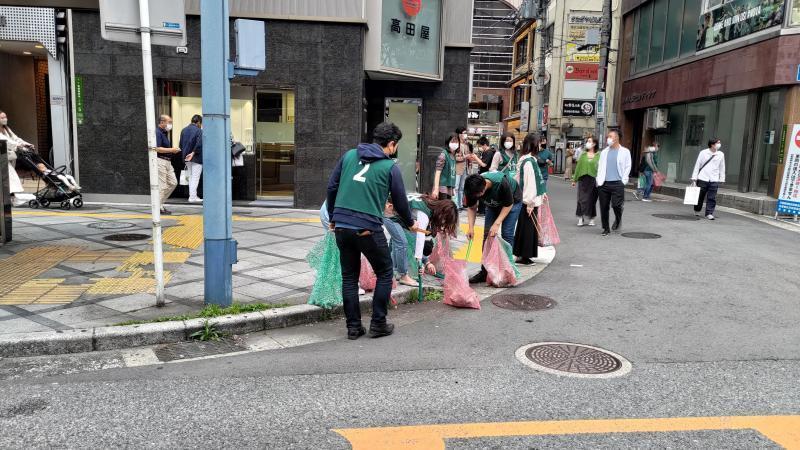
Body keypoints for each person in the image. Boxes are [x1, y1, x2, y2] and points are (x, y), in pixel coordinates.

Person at [327, 122, 416, 340]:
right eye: (395, 146)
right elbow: (400, 202)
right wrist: (410, 222)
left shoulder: (349, 156)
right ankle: (378, 323)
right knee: (385, 272)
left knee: (349, 276)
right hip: (367, 228)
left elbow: (332, 187)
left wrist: (333, 217)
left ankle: (353, 327)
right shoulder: (389, 167)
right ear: (392, 144)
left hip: (342, 225)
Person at [463, 170, 523, 284]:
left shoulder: (501, 183)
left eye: (478, 195)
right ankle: (485, 272)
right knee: (487, 236)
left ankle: (507, 272)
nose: (476, 197)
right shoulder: (471, 188)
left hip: (512, 202)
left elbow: (508, 204)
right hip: (493, 205)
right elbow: (471, 207)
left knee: (507, 234)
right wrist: (471, 227)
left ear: (484, 187)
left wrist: (496, 224)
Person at [513, 133, 547, 265]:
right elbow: (529, 182)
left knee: (526, 227)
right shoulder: (528, 161)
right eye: (538, 143)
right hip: (528, 201)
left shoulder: (528, 159)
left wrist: (541, 193)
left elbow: (534, 181)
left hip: (528, 200)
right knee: (527, 228)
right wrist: (530, 202)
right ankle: (525, 255)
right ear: (533, 144)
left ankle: (523, 254)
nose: (540, 145)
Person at [596, 129, 632, 236]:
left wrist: (623, 180)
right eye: (608, 137)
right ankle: (606, 228)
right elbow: (600, 167)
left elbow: (627, 166)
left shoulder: (625, 151)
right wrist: (598, 180)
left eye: (610, 136)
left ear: (617, 138)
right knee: (604, 207)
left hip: (617, 183)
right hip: (604, 184)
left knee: (616, 205)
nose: (608, 139)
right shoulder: (604, 152)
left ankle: (618, 218)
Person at [0, 111, 37, 205]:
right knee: (11, 176)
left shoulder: (7, 129)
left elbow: (15, 138)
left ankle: (10, 197)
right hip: (2, 158)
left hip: (7, 157)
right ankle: (13, 196)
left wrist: (26, 144)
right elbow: (7, 141)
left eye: (5, 117)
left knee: (7, 177)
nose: (5, 119)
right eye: (2, 118)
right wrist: (19, 146)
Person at [691, 138, 726, 220]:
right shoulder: (703, 153)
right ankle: (697, 209)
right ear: (712, 144)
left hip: (714, 179)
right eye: (718, 143)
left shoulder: (721, 154)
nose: (719, 144)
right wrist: (694, 177)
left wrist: (722, 178)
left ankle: (709, 213)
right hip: (703, 178)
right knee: (700, 196)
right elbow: (697, 165)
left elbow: (722, 167)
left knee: (712, 197)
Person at [571, 135, 600, 227]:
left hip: (594, 180)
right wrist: (574, 179)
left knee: (592, 199)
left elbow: (601, 169)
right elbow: (578, 167)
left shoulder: (599, 155)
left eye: (590, 141)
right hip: (583, 179)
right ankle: (580, 218)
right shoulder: (583, 154)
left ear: (594, 144)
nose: (588, 143)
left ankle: (591, 218)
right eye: (587, 141)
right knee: (581, 199)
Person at [155, 115, 181, 215]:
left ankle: (159, 204)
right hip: (160, 161)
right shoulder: (157, 132)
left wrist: (172, 151)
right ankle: (158, 207)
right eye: (169, 122)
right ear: (162, 122)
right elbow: (157, 148)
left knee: (173, 182)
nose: (170, 125)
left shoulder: (164, 133)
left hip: (167, 162)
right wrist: (172, 150)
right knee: (162, 186)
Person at [179, 114, 203, 203]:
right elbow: (199, 144)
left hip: (186, 157)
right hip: (196, 157)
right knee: (195, 177)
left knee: (190, 176)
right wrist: (193, 152)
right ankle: (192, 197)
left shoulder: (183, 130)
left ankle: (192, 195)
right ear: (199, 122)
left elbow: (180, 144)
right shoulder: (199, 131)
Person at [431, 132, 459, 201]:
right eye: (453, 141)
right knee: (443, 209)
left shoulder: (453, 155)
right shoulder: (443, 155)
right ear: (448, 142)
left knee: (447, 209)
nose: (455, 143)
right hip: (442, 187)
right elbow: (438, 172)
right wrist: (436, 189)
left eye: (456, 141)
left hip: (449, 186)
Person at [454, 127, 469, 209]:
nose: (465, 134)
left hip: (464, 169)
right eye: (464, 133)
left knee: (462, 187)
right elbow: (455, 158)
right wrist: (464, 157)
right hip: (457, 169)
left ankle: (460, 204)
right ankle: (455, 205)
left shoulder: (466, 144)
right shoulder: (456, 144)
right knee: (456, 187)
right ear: (459, 134)